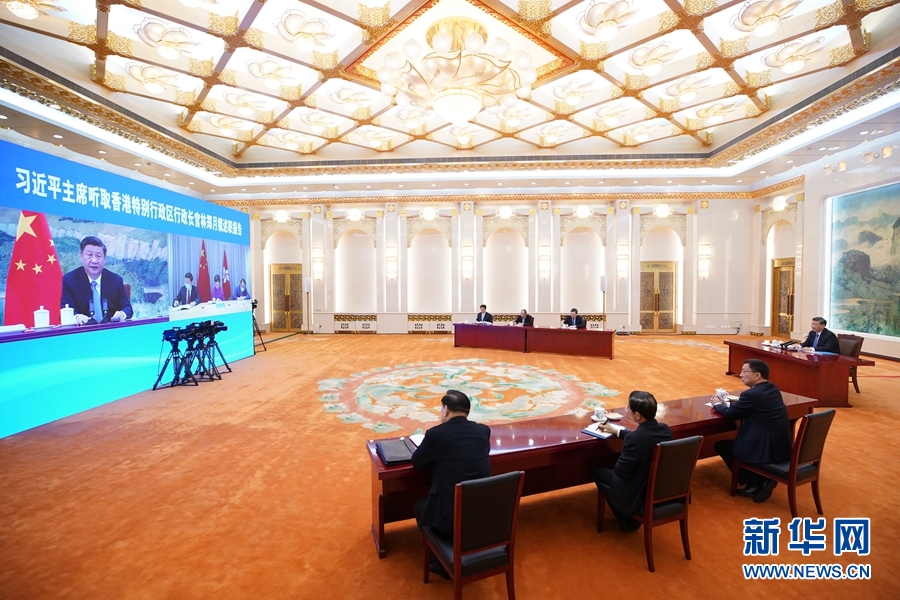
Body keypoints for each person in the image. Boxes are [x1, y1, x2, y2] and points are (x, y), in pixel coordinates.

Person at [412, 390, 491, 577]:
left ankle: (440, 561)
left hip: (450, 519)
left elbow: (417, 462)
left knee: (420, 506)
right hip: (483, 516)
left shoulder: (436, 434)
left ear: (446, 410)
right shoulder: (483, 431)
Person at [711, 359, 792, 503]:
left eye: (744, 371)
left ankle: (755, 481)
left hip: (762, 446)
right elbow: (750, 406)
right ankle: (761, 479)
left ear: (757, 375)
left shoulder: (751, 395)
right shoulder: (772, 388)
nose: (741, 374)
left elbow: (731, 414)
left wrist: (717, 404)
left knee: (722, 446)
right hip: (779, 445)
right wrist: (731, 403)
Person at [593, 391, 673, 532]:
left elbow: (621, 472)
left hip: (636, 491)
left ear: (637, 415)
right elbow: (643, 437)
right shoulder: (665, 430)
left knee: (599, 472)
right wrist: (616, 431)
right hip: (659, 488)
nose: (628, 411)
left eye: (628, 409)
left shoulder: (634, 439)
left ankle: (627, 518)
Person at [60, 236, 133, 326]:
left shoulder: (116, 280)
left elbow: (127, 308)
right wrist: (77, 317)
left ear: (104, 258)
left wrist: (122, 314)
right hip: (83, 331)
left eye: (98, 256)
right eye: (89, 255)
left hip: (110, 330)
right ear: (81, 255)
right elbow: (66, 309)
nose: (94, 261)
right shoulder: (70, 280)